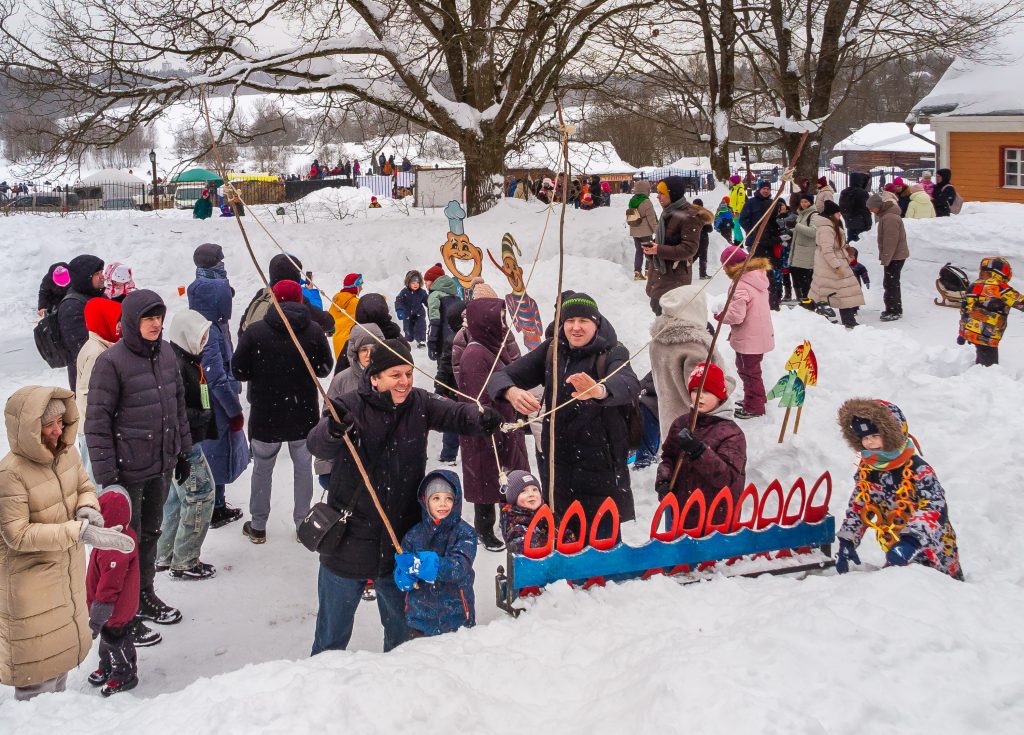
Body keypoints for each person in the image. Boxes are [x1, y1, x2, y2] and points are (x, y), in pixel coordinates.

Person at [307, 339, 502, 654]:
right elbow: (316, 445)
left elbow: (456, 414)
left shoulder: (420, 404)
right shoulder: (348, 405)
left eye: (409, 374)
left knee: (401, 639)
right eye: (395, 375)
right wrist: (332, 430)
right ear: (375, 378)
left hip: (399, 543)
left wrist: (480, 418)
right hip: (348, 542)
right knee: (330, 637)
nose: (405, 382)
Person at [0, 387, 134, 700]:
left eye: (61, 421)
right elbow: (16, 534)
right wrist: (77, 532)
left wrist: (88, 507)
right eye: (50, 425)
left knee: (59, 664)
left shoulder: (67, 454)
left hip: (65, 574)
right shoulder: (10, 474)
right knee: (36, 675)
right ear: (29, 428)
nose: (59, 429)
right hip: (31, 584)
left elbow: (85, 486)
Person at [86, 290, 192, 646]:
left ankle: (144, 596)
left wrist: (183, 453)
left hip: (158, 464)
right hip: (125, 471)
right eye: (148, 318)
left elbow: (178, 405)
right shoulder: (111, 362)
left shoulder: (165, 354)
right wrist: (108, 480)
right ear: (132, 320)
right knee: (122, 546)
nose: (156, 324)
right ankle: (121, 615)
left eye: (159, 317)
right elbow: (97, 423)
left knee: (150, 535)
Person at [488, 293, 640, 538]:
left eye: (583, 321)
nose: (576, 327)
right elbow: (500, 377)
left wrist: (599, 390)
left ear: (596, 323)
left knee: (602, 545)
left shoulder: (613, 352)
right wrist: (511, 391)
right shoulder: (552, 350)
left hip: (600, 468)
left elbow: (629, 384)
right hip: (557, 467)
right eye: (570, 321)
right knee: (564, 541)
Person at [232, 280, 333, 544]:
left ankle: (258, 525)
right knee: (302, 468)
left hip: (267, 414)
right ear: (300, 299)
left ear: (274, 299)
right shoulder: (313, 331)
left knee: (262, 469)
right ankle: (302, 524)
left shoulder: (255, 332)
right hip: (302, 413)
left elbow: (238, 370)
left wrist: (262, 372)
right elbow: (324, 368)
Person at [835, 399, 963, 580]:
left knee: (939, 595)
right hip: (894, 548)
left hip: (933, 550)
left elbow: (935, 506)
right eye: (865, 438)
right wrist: (847, 541)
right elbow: (860, 504)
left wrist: (910, 541)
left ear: (891, 434)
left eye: (875, 436)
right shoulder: (868, 469)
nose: (870, 443)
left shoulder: (917, 469)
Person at [455, 296, 530, 551]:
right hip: (486, 430)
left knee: (502, 477)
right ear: (483, 322)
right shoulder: (475, 354)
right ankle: (484, 531)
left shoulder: (491, 347)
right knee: (486, 480)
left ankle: (510, 525)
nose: (502, 323)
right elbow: (478, 399)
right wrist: (496, 417)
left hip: (503, 425)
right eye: (497, 319)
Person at [187, 243, 245, 528]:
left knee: (214, 452)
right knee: (216, 453)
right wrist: (234, 409)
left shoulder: (203, 312)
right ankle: (214, 507)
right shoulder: (212, 330)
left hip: (207, 399)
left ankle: (216, 503)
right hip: (216, 402)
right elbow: (216, 374)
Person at [159, 309, 217, 579]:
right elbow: (172, 410)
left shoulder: (185, 358)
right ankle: (185, 559)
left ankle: (165, 553)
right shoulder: (177, 365)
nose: (204, 341)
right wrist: (201, 415)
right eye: (200, 336)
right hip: (186, 444)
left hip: (184, 442)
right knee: (200, 498)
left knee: (175, 499)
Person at [655, 363, 746, 527]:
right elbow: (668, 458)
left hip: (715, 518)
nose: (699, 396)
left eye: (706, 391)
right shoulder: (681, 423)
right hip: (681, 513)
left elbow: (727, 478)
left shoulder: (732, 433)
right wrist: (664, 479)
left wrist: (699, 451)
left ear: (720, 395)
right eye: (695, 390)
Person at [392, 471, 477, 638]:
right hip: (420, 618)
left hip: (457, 617)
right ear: (426, 501)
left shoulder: (465, 533)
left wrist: (426, 564)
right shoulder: (413, 535)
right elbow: (404, 568)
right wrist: (403, 576)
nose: (443, 504)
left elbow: (459, 568)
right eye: (436, 498)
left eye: (449, 498)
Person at [650, 284, 731, 443]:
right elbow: (706, 391)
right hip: (694, 428)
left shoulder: (657, 341)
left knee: (672, 462)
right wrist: (728, 382)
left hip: (670, 422)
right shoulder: (694, 348)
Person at [85, 486, 140, 696]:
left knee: (115, 638)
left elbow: (109, 589)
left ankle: (124, 672)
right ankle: (107, 665)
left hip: (114, 607)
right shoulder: (112, 538)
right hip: (108, 606)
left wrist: (97, 618)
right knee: (107, 638)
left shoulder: (115, 548)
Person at [315, 323, 385, 487]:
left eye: (374, 348)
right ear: (355, 352)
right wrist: (325, 464)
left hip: (383, 463)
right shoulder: (342, 380)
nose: (368, 354)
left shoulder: (391, 377)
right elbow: (327, 422)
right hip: (349, 462)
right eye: (363, 349)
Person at [717, 247, 775, 419]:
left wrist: (720, 315)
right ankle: (756, 398)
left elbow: (736, 316)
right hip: (759, 334)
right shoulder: (755, 277)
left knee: (748, 372)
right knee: (752, 371)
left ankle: (754, 406)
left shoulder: (741, 284)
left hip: (749, 338)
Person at [643, 176, 706, 315]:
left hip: (674, 281)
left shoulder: (689, 216)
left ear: (673, 194)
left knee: (671, 325)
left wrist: (658, 249)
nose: (658, 197)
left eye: (662, 193)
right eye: (657, 192)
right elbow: (666, 240)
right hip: (660, 278)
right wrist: (652, 249)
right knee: (660, 316)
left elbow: (689, 249)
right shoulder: (669, 212)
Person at [75, 298, 122, 475]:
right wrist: (101, 428)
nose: (120, 326)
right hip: (93, 432)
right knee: (97, 481)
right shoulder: (96, 353)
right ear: (104, 321)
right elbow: (88, 395)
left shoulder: (101, 347)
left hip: (94, 430)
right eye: (116, 321)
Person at [239, 253, 334, 338]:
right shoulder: (295, 298)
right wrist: (311, 292)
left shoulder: (263, 294)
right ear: (295, 275)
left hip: (260, 354)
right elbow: (324, 321)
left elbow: (243, 326)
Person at [808, 200, 865, 329]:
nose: (840, 216)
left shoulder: (832, 226)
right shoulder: (826, 229)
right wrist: (837, 265)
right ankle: (846, 320)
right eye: (838, 213)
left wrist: (847, 250)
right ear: (831, 214)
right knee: (837, 291)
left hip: (835, 261)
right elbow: (827, 250)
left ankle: (840, 319)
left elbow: (837, 245)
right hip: (829, 265)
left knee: (829, 292)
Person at [958, 257, 1024, 366]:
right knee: (989, 367)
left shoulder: (974, 285)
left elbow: (964, 309)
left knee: (982, 356)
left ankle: (976, 375)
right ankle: (983, 380)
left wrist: (961, 334)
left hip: (969, 331)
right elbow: (1019, 301)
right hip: (987, 335)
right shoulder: (999, 287)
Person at [58, 254, 106, 390]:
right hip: (88, 380)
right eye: (97, 273)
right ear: (85, 278)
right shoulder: (72, 306)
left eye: (102, 272)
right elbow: (84, 349)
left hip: (107, 373)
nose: (102, 276)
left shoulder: (99, 295)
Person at [868, 191, 909, 322]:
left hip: (894, 257)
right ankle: (894, 308)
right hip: (895, 255)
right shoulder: (886, 215)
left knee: (891, 283)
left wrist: (886, 258)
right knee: (891, 283)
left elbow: (891, 241)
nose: (870, 210)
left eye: (871, 208)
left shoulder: (889, 218)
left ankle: (894, 310)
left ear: (878, 206)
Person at [499, 470, 546, 554]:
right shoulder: (514, 522)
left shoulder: (544, 514)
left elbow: (568, 541)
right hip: (530, 565)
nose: (531, 494)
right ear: (513, 499)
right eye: (523, 491)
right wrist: (549, 533)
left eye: (535, 489)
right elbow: (528, 546)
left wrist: (558, 529)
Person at [626, 180, 659, 281]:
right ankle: (648, 271)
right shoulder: (646, 201)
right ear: (646, 190)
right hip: (645, 232)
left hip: (635, 231)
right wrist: (657, 231)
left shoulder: (632, 201)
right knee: (649, 251)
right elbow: (651, 218)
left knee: (638, 251)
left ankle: (637, 272)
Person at [789, 194, 817, 300]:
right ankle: (802, 302)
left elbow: (813, 232)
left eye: (806, 202)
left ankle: (808, 303)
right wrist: (790, 232)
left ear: (811, 202)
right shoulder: (801, 214)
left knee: (806, 282)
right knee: (798, 281)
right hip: (797, 253)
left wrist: (795, 225)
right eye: (802, 202)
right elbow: (800, 230)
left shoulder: (814, 215)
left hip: (806, 254)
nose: (803, 204)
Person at [329, 273, 363, 359]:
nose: (362, 288)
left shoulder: (335, 302)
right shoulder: (355, 303)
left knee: (343, 370)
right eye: (360, 286)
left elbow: (329, 319)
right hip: (351, 344)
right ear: (355, 286)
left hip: (338, 343)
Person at [395, 270, 428, 348]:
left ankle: (421, 341)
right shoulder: (404, 292)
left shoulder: (422, 292)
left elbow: (427, 301)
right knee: (408, 330)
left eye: (417, 283)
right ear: (408, 283)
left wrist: (431, 306)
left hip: (419, 313)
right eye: (413, 283)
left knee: (420, 326)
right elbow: (398, 301)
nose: (416, 285)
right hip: (407, 314)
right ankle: (409, 339)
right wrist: (399, 310)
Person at [838, 172, 872, 242]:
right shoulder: (862, 192)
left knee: (851, 242)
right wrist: (868, 223)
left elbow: (841, 207)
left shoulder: (844, 192)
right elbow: (865, 209)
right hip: (861, 223)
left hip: (849, 222)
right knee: (861, 244)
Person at [692, 198, 714, 280]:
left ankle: (685, 270)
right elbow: (710, 229)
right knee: (703, 256)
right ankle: (703, 274)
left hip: (693, 237)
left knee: (693, 255)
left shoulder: (689, 214)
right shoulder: (704, 214)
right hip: (703, 238)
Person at [728, 174, 746, 243]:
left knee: (736, 227)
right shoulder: (733, 189)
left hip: (737, 212)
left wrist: (737, 212)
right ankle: (736, 240)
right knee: (734, 227)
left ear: (734, 182)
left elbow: (741, 202)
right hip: (733, 211)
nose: (729, 182)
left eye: (731, 181)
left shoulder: (740, 190)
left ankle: (739, 241)